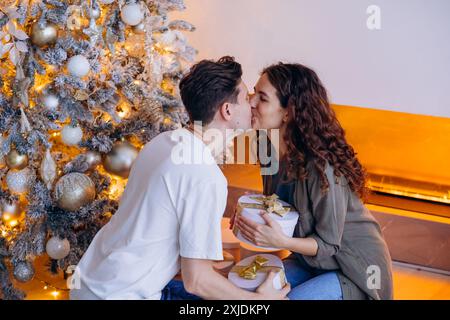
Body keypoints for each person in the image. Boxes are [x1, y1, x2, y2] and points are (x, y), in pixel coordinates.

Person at [69, 56, 290, 300]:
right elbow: (197, 281)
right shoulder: (205, 175)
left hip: (90, 283)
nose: (251, 104)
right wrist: (260, 302)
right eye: (246, 97)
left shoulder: (164, 142)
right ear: (227, 110)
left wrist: (218, 268)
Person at [232, 62, 393, 300]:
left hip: (353, 269)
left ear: (289, 112)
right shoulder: (267, 145)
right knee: (248, 291)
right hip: (311, 262)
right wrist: (251, 217)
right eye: (254, 93)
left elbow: (329, 245)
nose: (251, 102)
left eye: (262, 98)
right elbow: (280, 209)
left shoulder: (320, 167)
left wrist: (281, 240)